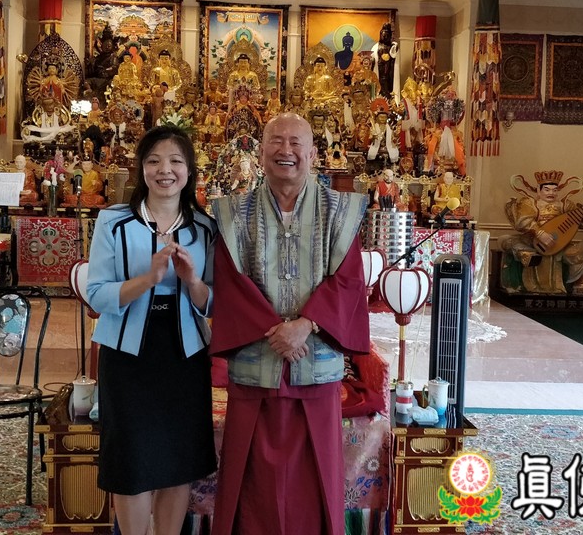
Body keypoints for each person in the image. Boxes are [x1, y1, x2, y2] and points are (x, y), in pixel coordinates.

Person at [210, 113, 370, 535]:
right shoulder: (233, 213)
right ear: (261, 151)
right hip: (255, 366)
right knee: (249, 483)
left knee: (315, 483)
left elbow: (349, 280)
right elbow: (229, 282)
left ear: (313, 153)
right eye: (276, 141)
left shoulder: (340, 211)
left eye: (296, 142)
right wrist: (276, 330)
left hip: (314, 364)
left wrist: (306, 324)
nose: (286, 150)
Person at [84, 125, 217, 535]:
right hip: (127, 355)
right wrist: (148, 278)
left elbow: (213, 302)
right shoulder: (114, 222)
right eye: (154, 160)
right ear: (141, 168)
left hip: (184, 354)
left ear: (189, 170)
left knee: (178, 461)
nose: (165, 170)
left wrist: (192, 281)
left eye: (176, 161)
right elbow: (96, 294)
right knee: (132, 462)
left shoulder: (204, 228)